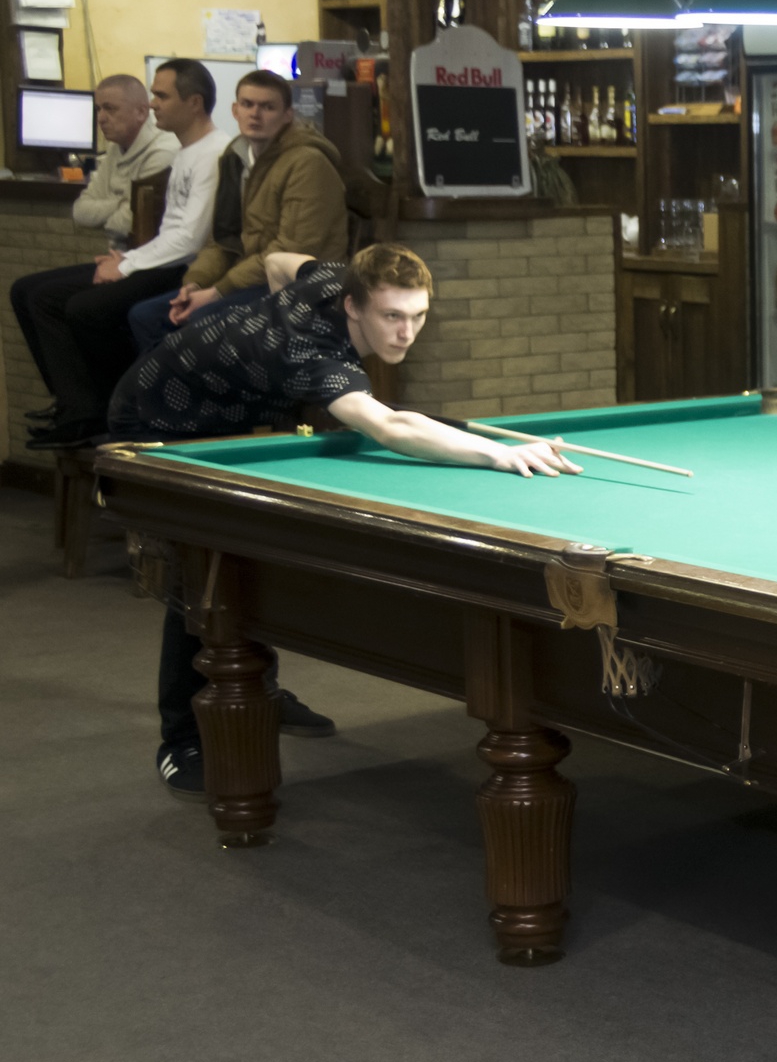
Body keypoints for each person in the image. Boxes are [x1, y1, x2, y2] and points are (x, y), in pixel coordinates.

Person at [111, 244, 579, 798]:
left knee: (246, 553)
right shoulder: (311, 353)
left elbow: (277, 262)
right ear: (353, 306)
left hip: (232, 414)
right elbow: (391, 428)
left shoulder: (334, 277)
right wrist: (498, 454)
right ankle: (182, 739)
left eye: (418, 315)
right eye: (392, 316)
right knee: (198, 569)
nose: (406, 332)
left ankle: (255, 688)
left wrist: (270, 336)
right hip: (158, 418)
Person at [14, 63, 220, 450]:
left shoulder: (209, 153)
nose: (154, 104)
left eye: (161, 96)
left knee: (82, 308)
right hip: (156, 255)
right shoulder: (188, 151)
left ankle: (107, 412)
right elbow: (90, 212)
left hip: (186, 267)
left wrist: (126, 264)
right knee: (27, 290)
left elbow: (188, 239)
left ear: (194, 103)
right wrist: (126, 259)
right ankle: (79, 407)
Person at [128, 67, 348, 353]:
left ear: (287, 116)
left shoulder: (307, 163)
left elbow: (291, 250)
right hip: (250, 277)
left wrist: (218, 291)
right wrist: (195, 284)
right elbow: (222, 238)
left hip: (300, 284)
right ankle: (175, 382)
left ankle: (201, 382)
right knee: (145, 316)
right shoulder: (235, 156)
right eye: (247, 104)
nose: (255, 114)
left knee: (203, 319)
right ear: (235, 110)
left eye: (267, 107)